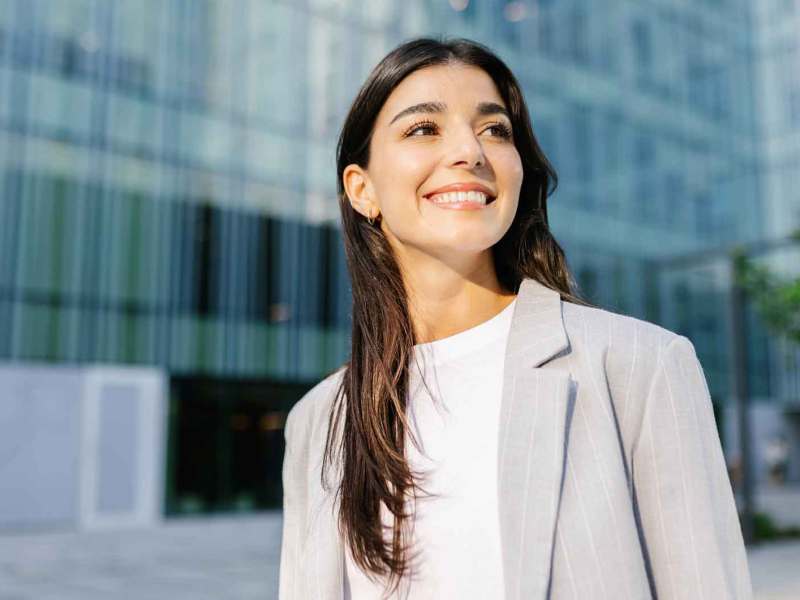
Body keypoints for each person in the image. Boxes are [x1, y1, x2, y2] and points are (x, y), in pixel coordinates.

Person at [279, 36, 753, 599]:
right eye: (423, 129)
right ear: (362, 190)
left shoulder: (638, 366)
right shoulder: (318, 421)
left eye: (494, 130)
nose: (470, 153)